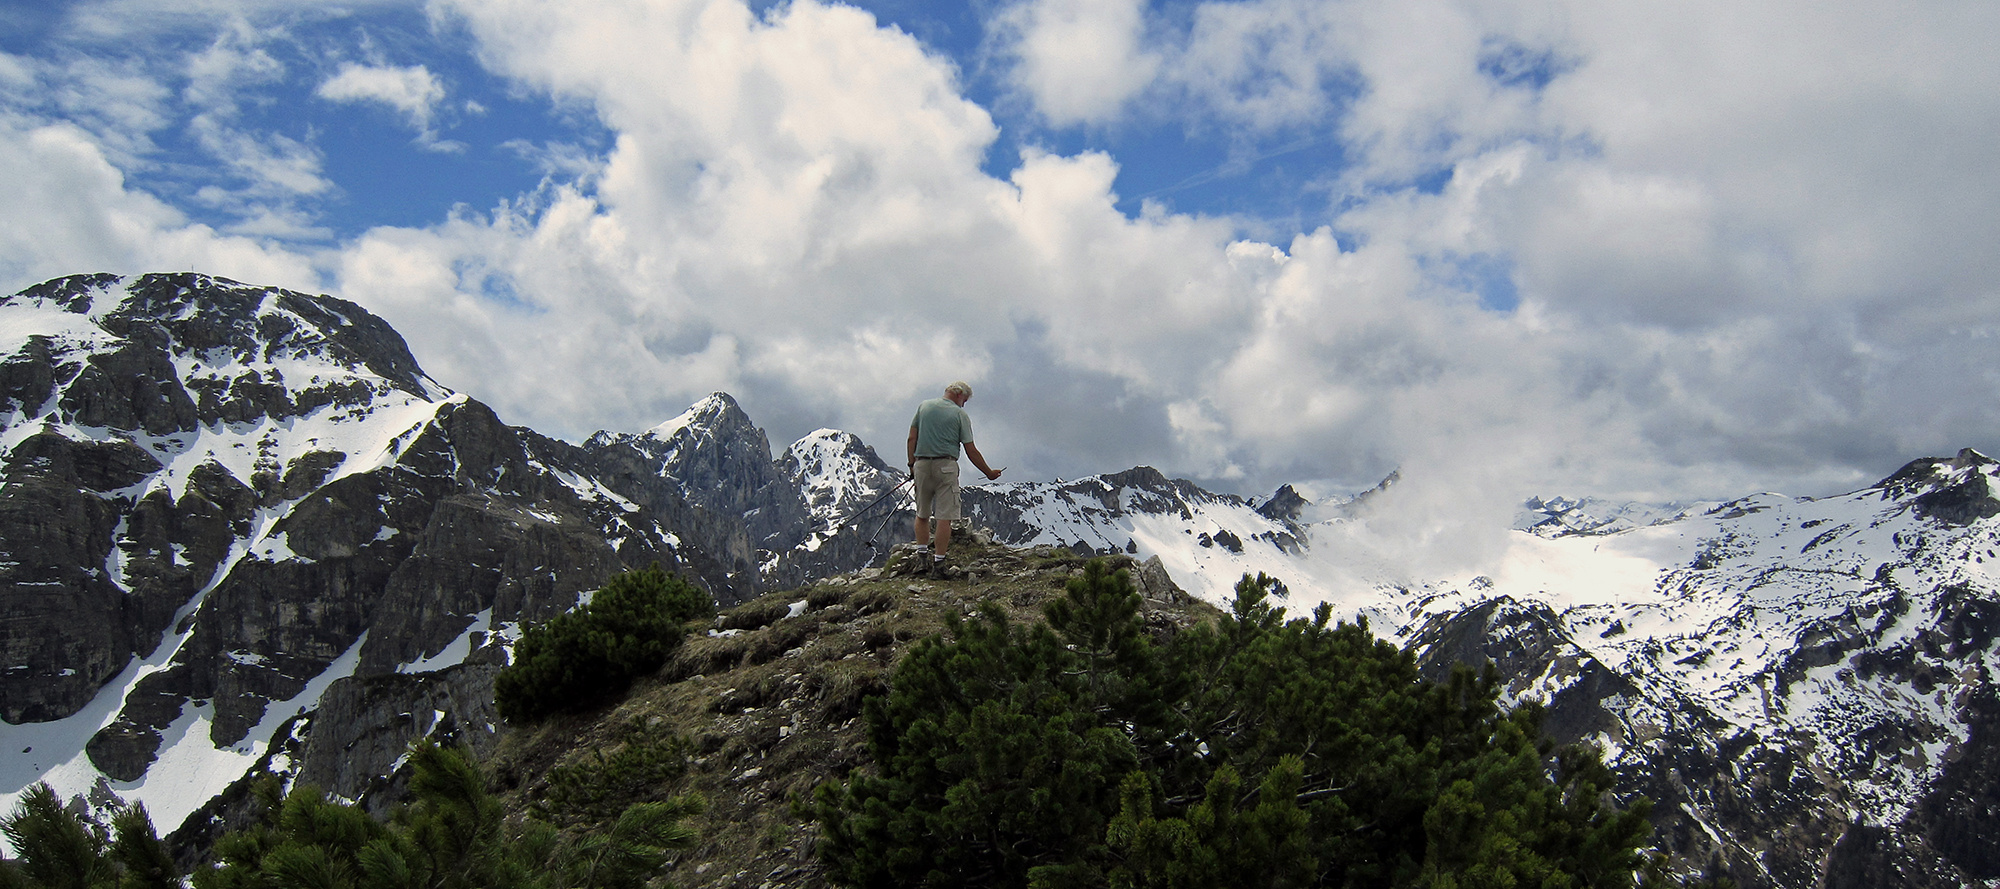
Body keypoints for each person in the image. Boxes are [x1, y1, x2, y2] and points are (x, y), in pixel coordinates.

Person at [906, 380, 1002, 573]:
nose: (963, 404)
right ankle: (939, 565)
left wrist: (911, 465)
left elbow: (911, 438)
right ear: (959, 395)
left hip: (921, 465)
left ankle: (921, 560)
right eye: (964, 400)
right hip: (946, 467)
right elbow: (971, 450)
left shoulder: (923, 407)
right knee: (944, 517)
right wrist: (989, 473)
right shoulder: (960, 415)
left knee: (922, 513)